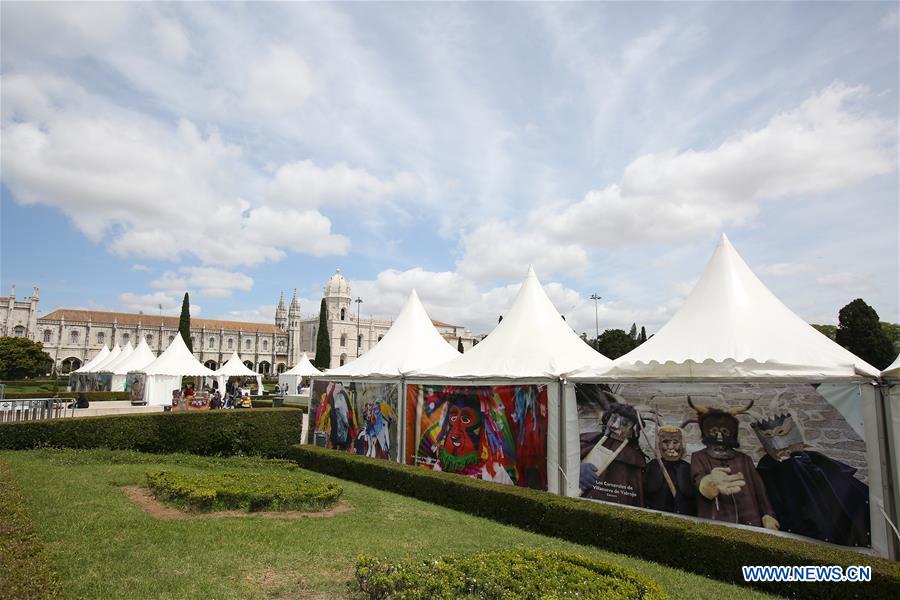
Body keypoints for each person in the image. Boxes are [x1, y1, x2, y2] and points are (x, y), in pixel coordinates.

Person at [752, 412, 870, 546]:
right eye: (768, 436)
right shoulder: (767, 469)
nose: (779, 444)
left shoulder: (812, 460)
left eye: (781, 433)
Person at [686, 397, 778, 530]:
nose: (719, 436)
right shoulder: (699, 457)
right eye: (714, 431)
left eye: (724, 431)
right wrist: (709, 482)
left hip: (751, 521)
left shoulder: (744, 459)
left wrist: (768, 514)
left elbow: (760, 489)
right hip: (716, 522)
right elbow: (697, 479)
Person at [579, 402, 646, 507]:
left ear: (633, 430)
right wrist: (575, 469)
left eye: (624, 424)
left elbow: (633, 495)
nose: (615, 426)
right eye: (613, 419)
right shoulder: (587, 439)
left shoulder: (634, 458)